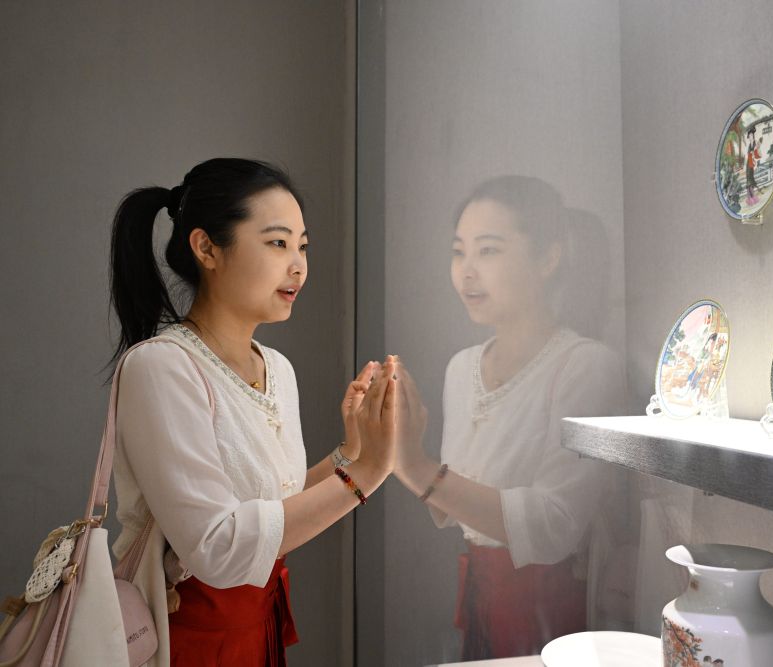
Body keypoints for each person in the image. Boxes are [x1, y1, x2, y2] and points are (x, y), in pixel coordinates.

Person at [107, 157, 401, 666]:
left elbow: (271, 507)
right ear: (206, 248)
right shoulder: (162, 366)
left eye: (303, 246)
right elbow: (216, 547)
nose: (298, 266)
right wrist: (365, 475)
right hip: (186, 640)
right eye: (278, 243)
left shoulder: (277, 367)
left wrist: (350, 454)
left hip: (257, 628)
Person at [391, 176, 625, 660]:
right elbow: (453, 505)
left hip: (552, 612)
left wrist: (415, 466)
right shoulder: (461, 368)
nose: (467, 271)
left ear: (547, 258)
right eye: (459, 252)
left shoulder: (586, 366)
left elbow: (555, 524)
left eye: (488, 251)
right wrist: (401, 444)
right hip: (479, 601)